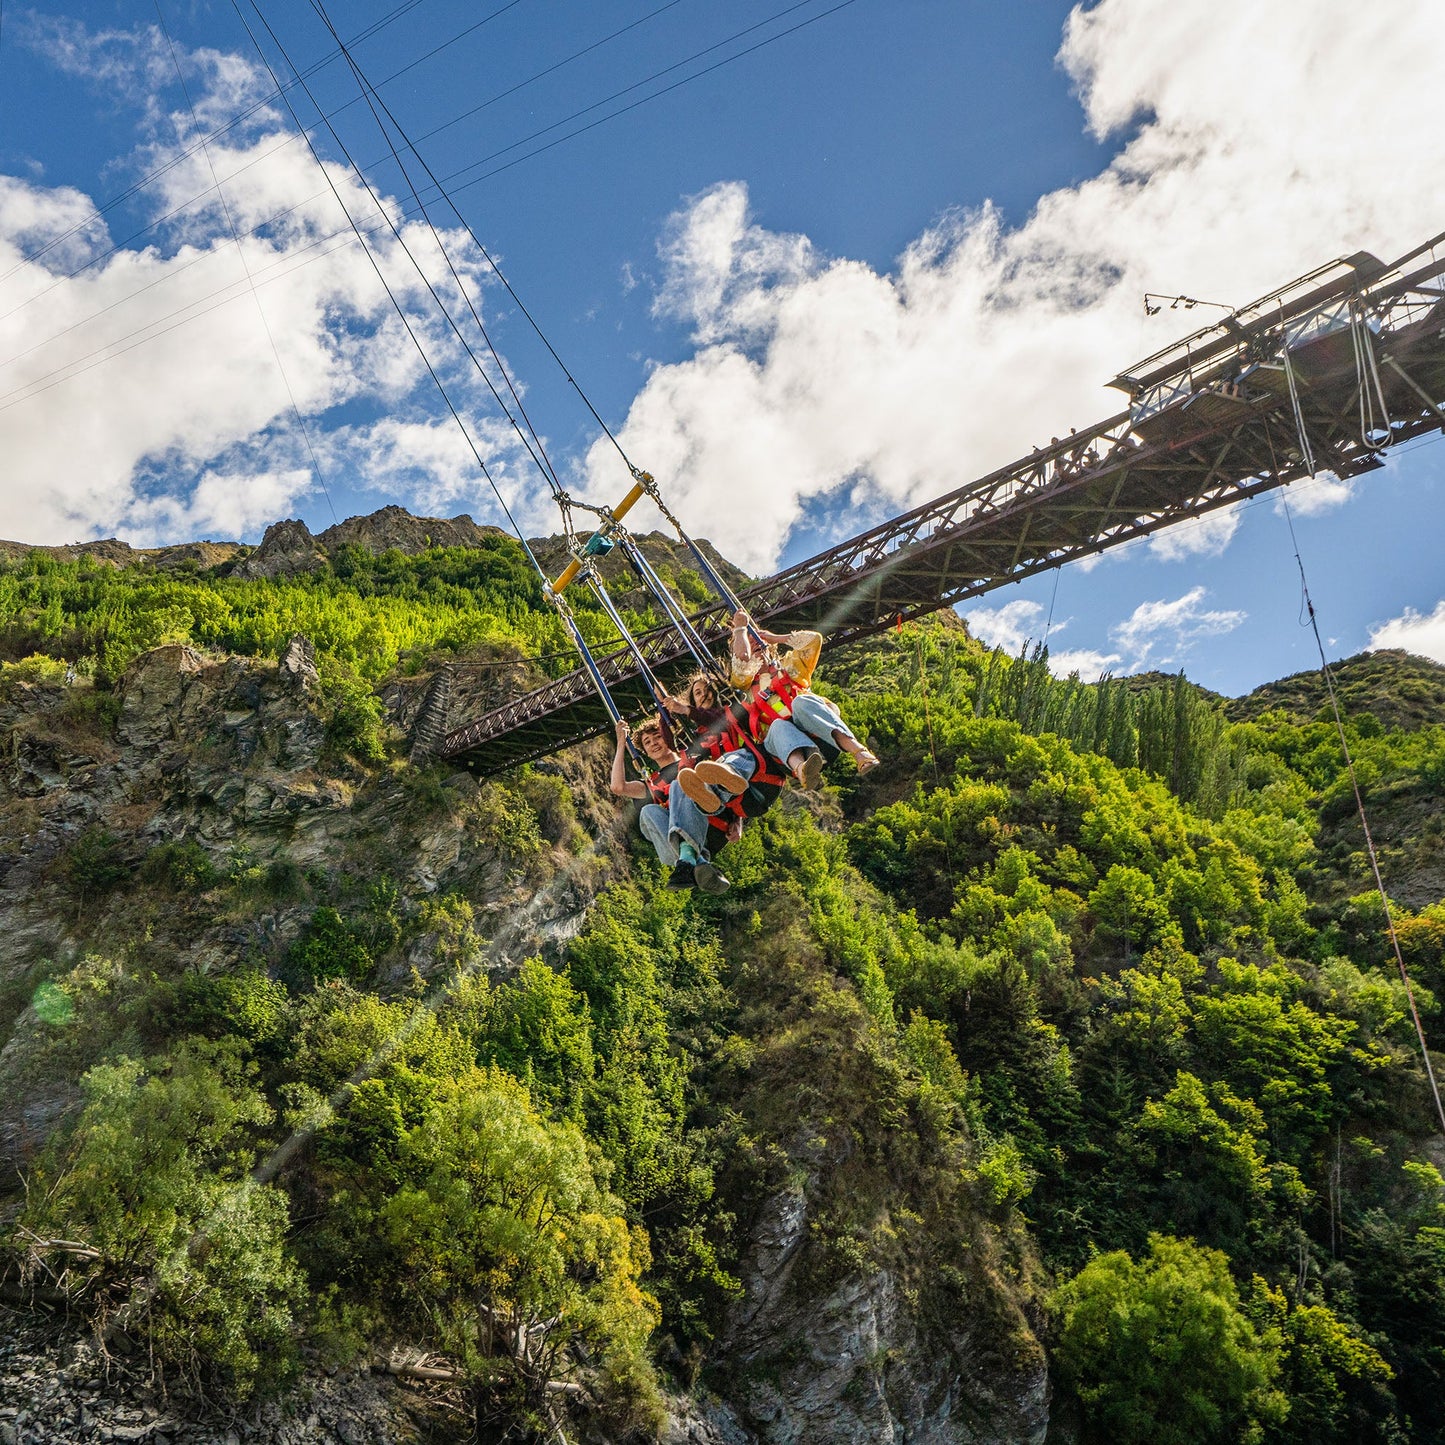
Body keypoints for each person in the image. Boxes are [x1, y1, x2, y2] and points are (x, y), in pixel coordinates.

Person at [728, 611, 879, 775]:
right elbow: (742, 662)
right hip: (784, 746)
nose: (752, 643)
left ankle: (860, 752)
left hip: (817, 732)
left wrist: (776, 638)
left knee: (800, 702)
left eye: (755, 639)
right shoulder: (744, 687)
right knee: (777, 725)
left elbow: (814, 640)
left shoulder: (789, 667)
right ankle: (802, 771)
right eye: (747, 643)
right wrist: (740, 630)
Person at [608, 718, 728, 893]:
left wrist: (736, 819)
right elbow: (617, 787)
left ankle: (689, 859)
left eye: (657, 737)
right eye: (647, 742)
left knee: (681, 782)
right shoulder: (651, 783)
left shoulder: (693, 759)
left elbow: (724, 783)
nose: (653, 743)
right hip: (679, 840)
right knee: (648, 811)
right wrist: (621, 744)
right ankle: (695, 863)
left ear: (668, 737)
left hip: (708, 824)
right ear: (646, 753)